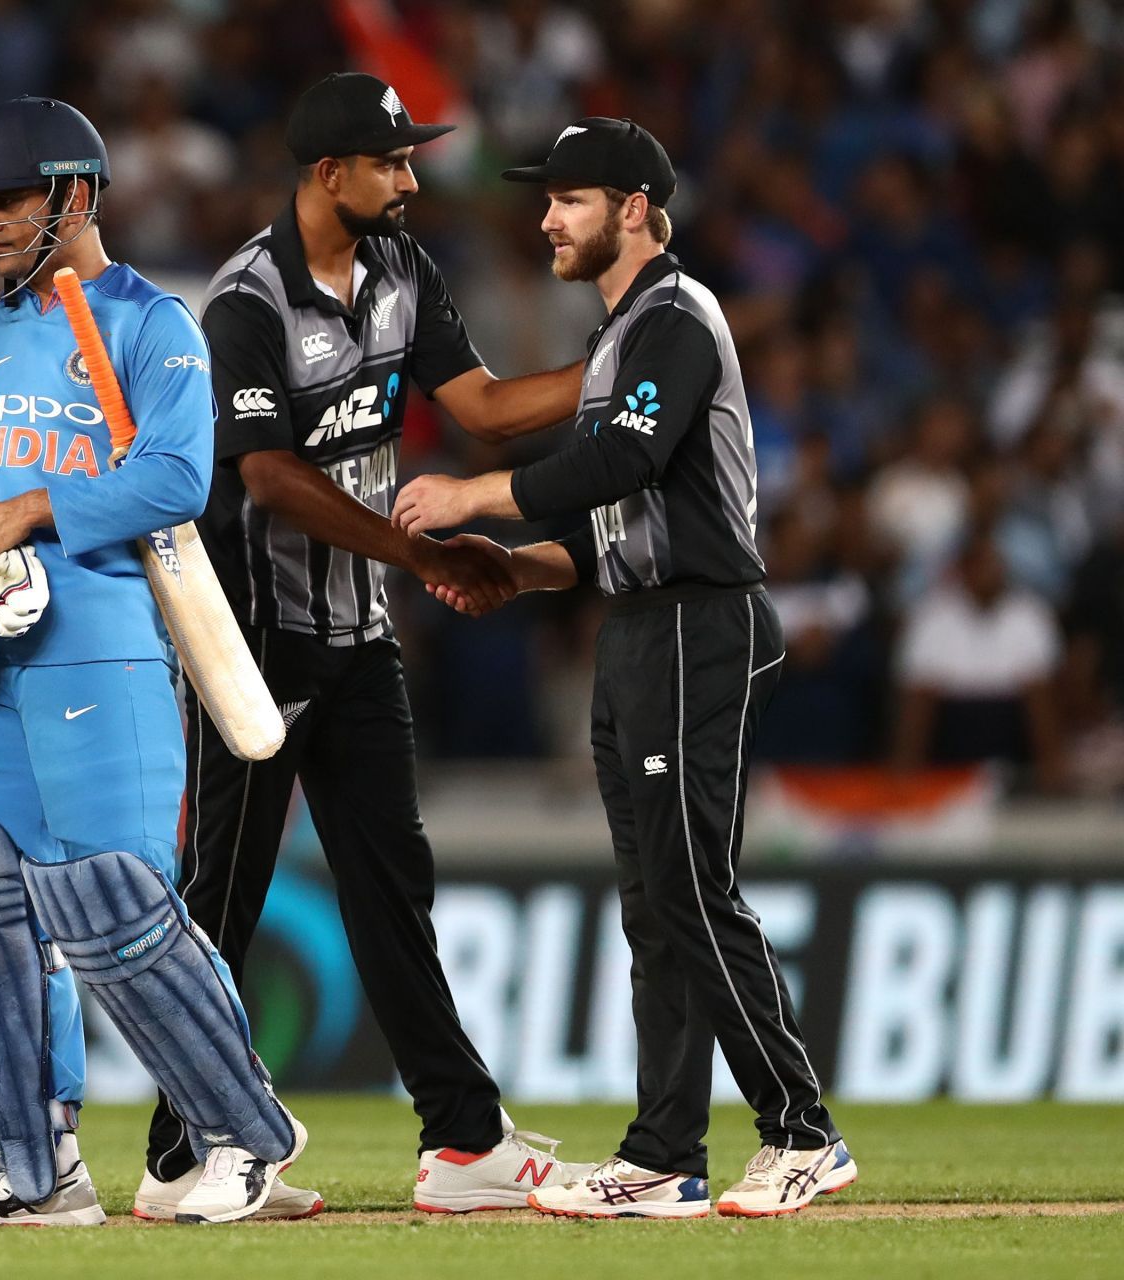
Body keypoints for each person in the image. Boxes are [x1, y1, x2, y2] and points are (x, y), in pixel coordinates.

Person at [139, 71, 595, 1217]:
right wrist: (424, 554)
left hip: (359, 637)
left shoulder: (403, 268)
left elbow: (482, 405)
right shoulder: (246, 299)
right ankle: (176, 1154)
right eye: (391, 162)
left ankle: (461, 1140)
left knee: (393, 889)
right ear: (327, 171)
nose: (410, 177)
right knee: (224, 899)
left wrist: (617, 378)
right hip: (255, 642)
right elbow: (274, 480)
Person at [393, 117, 857, 1219]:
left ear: (636, 208)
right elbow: (616, 523)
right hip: (644, 624)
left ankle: (804, 1132)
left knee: (695, 890)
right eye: (548, 198)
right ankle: (664, 1153)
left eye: (570, 197)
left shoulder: (675, 318)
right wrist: (519, 568)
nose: (548, 216)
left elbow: (628, 459)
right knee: (657, 905)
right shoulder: (616, 342)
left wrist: (474, 492)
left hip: (702, 624)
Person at [0, 95, 304, 1227]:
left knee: (110, 904)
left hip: (99, 647)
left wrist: (30, 509)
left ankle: (249, 1137)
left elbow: (177, 481)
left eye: (7, 201)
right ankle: (37, 1169)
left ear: (76, 195)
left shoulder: (150, 322)